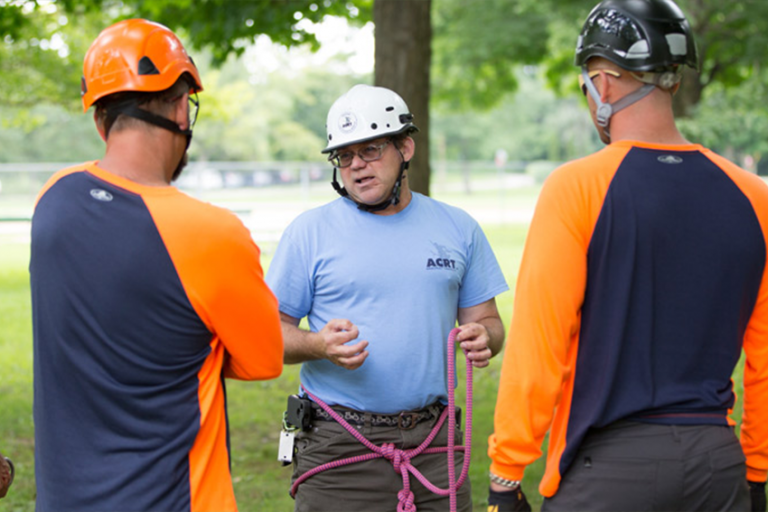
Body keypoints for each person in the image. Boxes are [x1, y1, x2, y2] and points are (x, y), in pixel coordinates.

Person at [487, 0, 768, 511]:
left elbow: (538, 344)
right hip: (717, 463)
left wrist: (507, 471)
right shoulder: (755, 197)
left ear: (606, 83)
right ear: (674, 80)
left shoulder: (576, 188)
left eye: (587, 82)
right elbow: (767, 358)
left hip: (611, 467)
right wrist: (757, 468)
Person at [30, 19, 283, 511]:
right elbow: (264, 359)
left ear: (100, 117)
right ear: (180, 105)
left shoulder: (51, 198)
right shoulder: (213, 232)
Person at [266, 84, 509, 512]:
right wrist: (317, 344)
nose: (356, 165)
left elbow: (489, 322)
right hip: (337, 443)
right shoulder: (308, 233)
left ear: (406, 148)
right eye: (344, 156)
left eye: (371, 150)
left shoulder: (458, 228)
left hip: (435, 442)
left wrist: (483, 337)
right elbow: (267, 333)